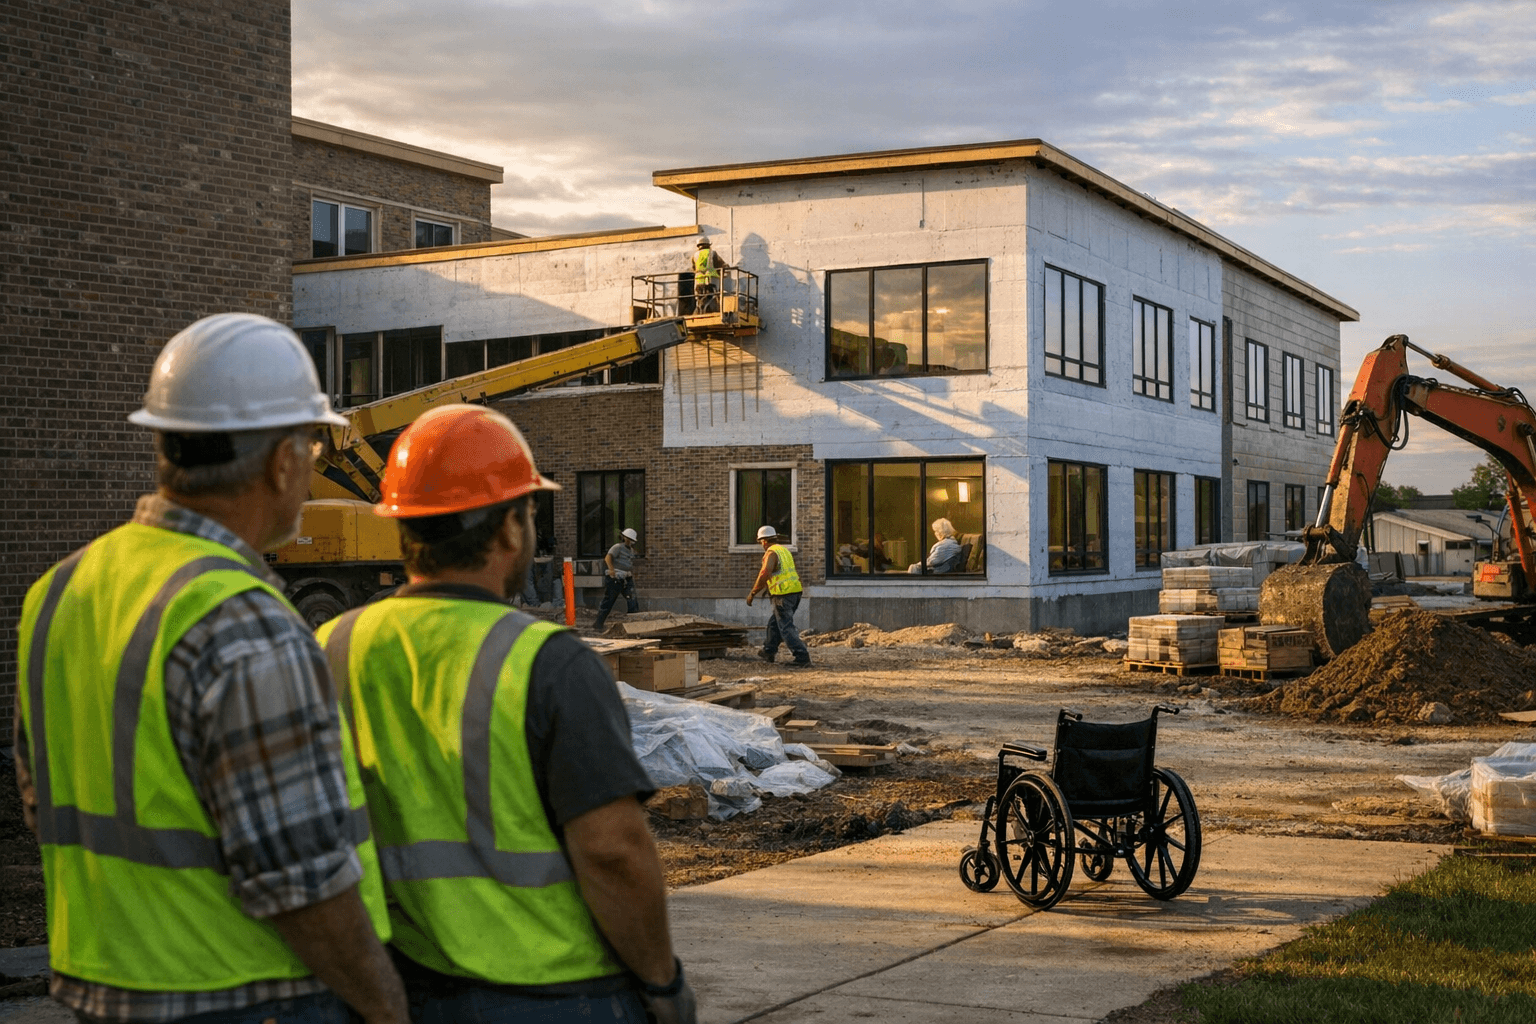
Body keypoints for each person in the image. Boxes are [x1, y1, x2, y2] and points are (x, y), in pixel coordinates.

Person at [15, 314, 407, 1024]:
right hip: (247, 993)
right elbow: (302, 885)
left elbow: (43, 800)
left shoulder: (58, 593)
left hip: (101, 983)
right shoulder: (241, 620)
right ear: (284, 462)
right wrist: (385, 1008)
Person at [315, 405, 695, 1024]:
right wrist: (662, 982)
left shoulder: (327, 648)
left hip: (393, 982)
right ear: (509, 530)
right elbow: (613, 851)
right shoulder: (550, 664)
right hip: (552, 986)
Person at [746, 525, 810, 666]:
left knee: (785, 627)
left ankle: (802, 657)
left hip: (783, 595)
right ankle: (768, 651)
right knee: (774, 624)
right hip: (794, 592)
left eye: (760, 542)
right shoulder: (784, 551)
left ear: (763, 541)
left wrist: (753, 593)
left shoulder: (771, 553)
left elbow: (764, 573)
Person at [592, 526, 640, 632]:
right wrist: (611, 570)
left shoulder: (631, 550)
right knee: (609, 601)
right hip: (615, 578)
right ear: (624, 537)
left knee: (632, 601)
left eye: (630, 539)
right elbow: (608, 558)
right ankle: (598, 624)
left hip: (626, 578)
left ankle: (634, 626)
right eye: (627, 538)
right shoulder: (617, 547)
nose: (629, 541)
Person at [692, 238, 729, 313]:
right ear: (708, 245)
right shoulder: (712, 253)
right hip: (711, 278)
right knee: (715, 296)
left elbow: (693, 268)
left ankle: (699, 310)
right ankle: (717, 309)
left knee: (699, 298)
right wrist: (725, 270)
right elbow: (721, 264)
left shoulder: (694, 255)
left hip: (699, 280)